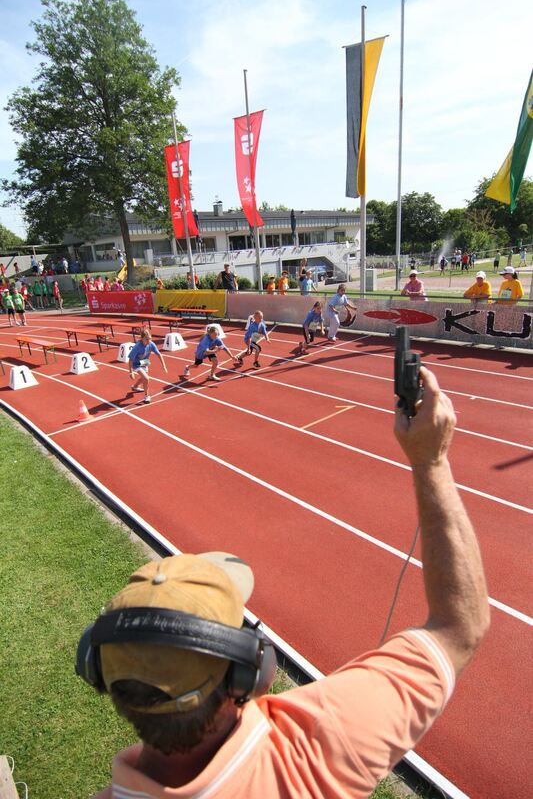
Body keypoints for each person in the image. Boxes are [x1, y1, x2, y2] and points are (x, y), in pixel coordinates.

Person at [81, 367, 489, 799]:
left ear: (98, 669)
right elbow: (459, 627)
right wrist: (431, 461)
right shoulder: (317, 753)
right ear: (248, 672)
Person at [128, 329, 168, 404]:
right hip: (136, 363)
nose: (149, 341)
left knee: (143, 378)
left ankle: (135, 386)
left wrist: (164, 366)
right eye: (147, 339)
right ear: (142, 338)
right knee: (146, 379)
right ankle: (147, 396)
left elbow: (159, 354)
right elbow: (130, 359)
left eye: (150, 338)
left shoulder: (151, 344)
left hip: (144, 362)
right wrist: (131, 372)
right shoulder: (137, 347)